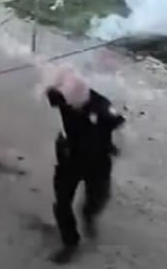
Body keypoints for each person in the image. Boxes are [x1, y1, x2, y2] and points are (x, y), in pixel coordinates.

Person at [45, 69, 125, 264]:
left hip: (97, 161)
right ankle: (70, 242)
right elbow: (50, 91)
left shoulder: (102, 105)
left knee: (98, 198)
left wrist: (111, 146)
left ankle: (89, 215)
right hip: (69, 158)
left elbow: (118, 123)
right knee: (62, 203)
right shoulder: (61, 95)